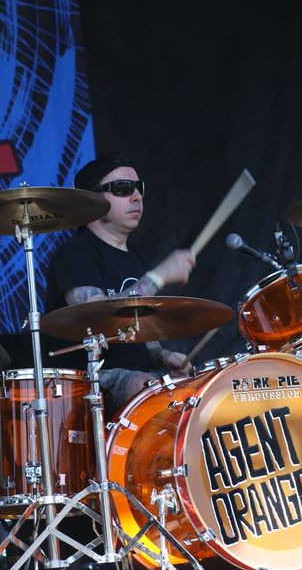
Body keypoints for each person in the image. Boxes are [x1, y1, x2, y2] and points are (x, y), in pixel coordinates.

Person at [44, 153, 197, 409]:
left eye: (139, 188)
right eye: (123, 189)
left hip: (139, 375)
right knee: (144, 387)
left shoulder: (138, 260)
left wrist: (163, 356)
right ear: (92, 199)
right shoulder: (75, 254)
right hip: (86, 380)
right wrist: (158, 277)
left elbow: (145, 336)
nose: (136, 196)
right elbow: (95, 316)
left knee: (193, 387)